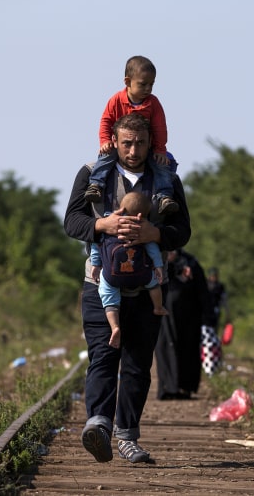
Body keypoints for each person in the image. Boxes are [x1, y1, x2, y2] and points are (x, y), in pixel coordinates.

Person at [64, 113, 191, 464]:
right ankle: (99, 426)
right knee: (103, 358)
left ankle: (127, 436)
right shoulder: (92, 172)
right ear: (114, 142)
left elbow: (183, 230)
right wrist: (103, 223)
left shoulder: (166, 179)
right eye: (127, 143)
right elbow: (72, 221)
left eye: (140, 143)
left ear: (152, 143)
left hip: (149, 288)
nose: (133, 151)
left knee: (137, 365)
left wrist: (156, 234)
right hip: (101, 286)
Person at [84, 55, 179, 215]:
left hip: (148, 148)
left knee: (162, 165)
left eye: (151, 84)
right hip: (118, 146)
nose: (148, 89)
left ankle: (165, 197)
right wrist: (105, 141)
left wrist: (159, 150)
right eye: (143, 84)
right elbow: (106, 121)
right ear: (127, 82)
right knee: (106, 157)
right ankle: (96, 185)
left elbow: (160, 127)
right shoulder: (116, 100)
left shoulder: (153, 103)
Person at [89, 191, 168, 349]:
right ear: (142, 215)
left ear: (121, 208)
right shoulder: (142, 229)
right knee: (154, 285)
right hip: (140, 274)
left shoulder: (109, 223)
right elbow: (152, 248)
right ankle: (158, 307)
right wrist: (158, 266)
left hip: (112, 275)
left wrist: (95, 265)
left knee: (108, 295)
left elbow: (96, 245)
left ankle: (115, 326)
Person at [155, 248, 215, 400]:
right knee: (164, 351)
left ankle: (185, 388)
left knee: (187, 352)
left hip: (188, 319)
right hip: (163, 317)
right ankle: (167, 388)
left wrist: (208, 318)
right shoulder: (155, 259)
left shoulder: (191, 263)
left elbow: (203, 292)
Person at [205, 267, 230, 334]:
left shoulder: (220, 286)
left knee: (214, 329)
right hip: (205, 311)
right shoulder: (204, 284)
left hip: (215, 310)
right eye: (212, 276)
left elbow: (224, 299)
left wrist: (227, 312)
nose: (214, 278)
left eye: (215, 276)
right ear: (209, 276)